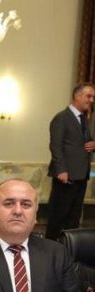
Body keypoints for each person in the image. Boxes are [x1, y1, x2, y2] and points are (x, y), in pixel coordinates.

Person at [46, 82, 95, 241]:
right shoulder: (61, 118)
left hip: (81, 176)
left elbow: (83, 144)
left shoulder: (83, 119)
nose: (92, 100)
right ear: (77, 96)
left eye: (93, 97)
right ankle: (50, 249)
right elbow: (56, 146)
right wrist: (61, 170)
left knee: (74, 218)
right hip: (66, 176)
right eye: (89, 96)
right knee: (58, 216)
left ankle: (69, 250)